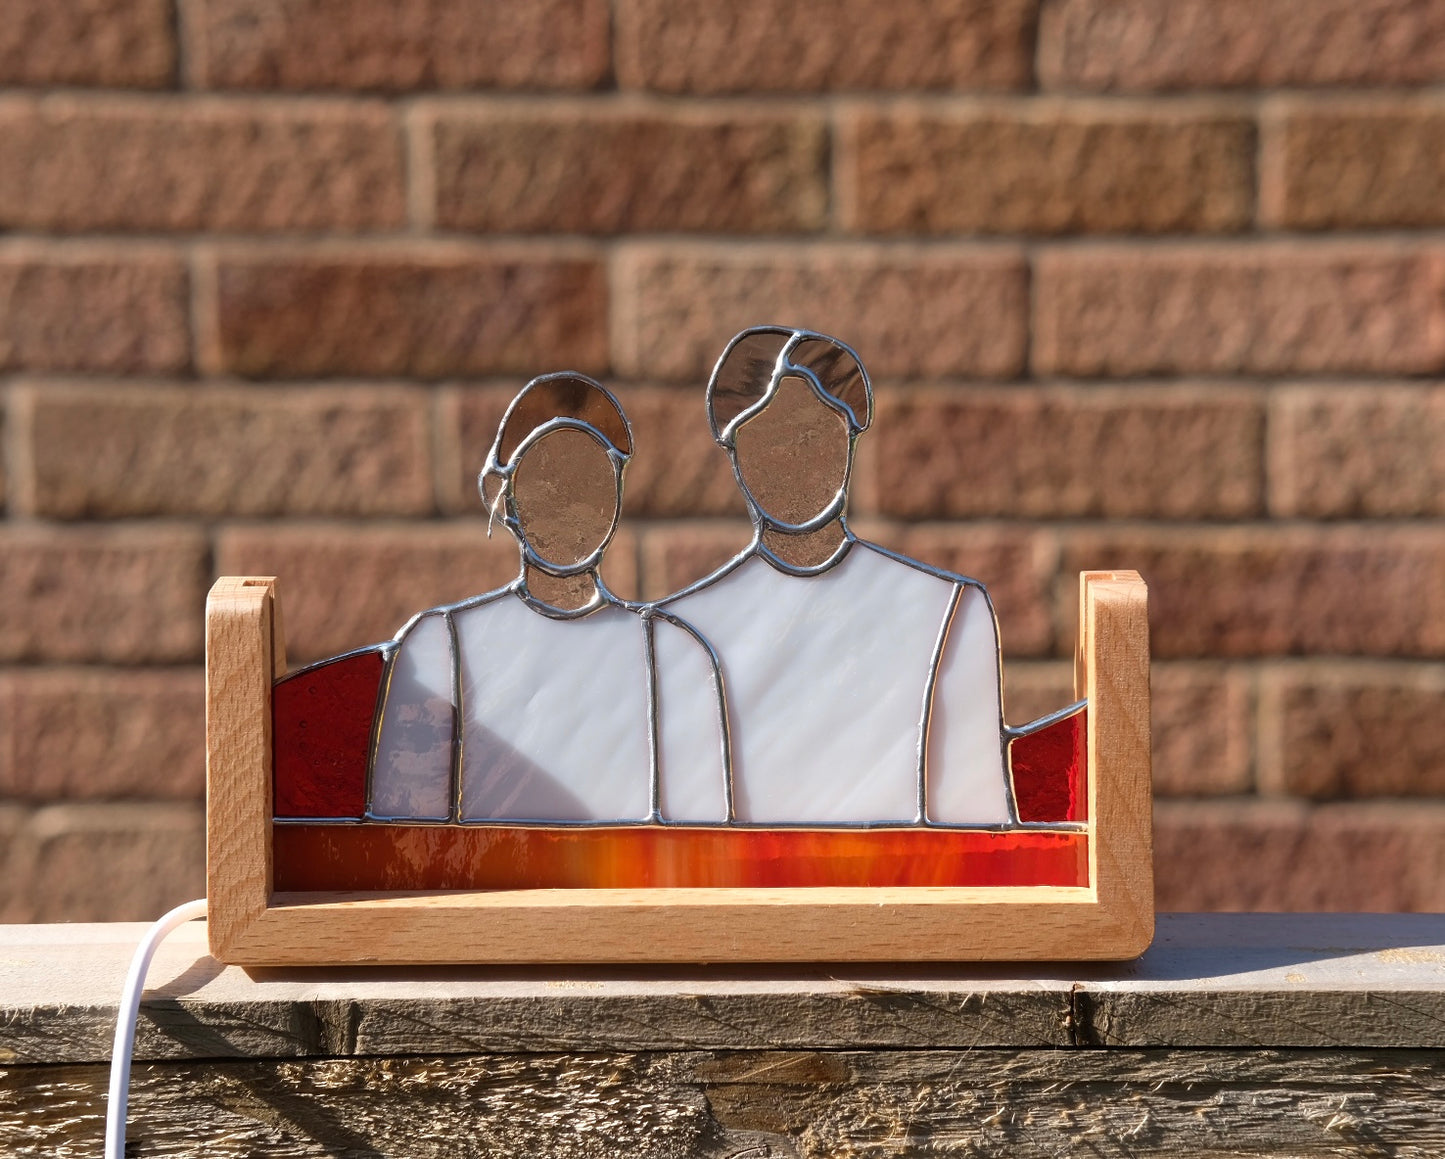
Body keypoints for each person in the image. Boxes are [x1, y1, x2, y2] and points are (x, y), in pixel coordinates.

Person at [654, 327, 1013, 826]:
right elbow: (684, 845)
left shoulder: (948, 611)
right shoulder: (678, 630)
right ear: (735, 452)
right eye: (768, 439)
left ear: (848, 436)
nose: (795, 462)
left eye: (814, 433)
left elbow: (978, 824)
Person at [369, 373, 728, 824]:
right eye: (546, 476)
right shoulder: (441, 643)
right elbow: (401, 829)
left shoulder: (673, 653)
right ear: (501, 496)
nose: (572, 503)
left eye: (593, 478)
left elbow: (706, 839)